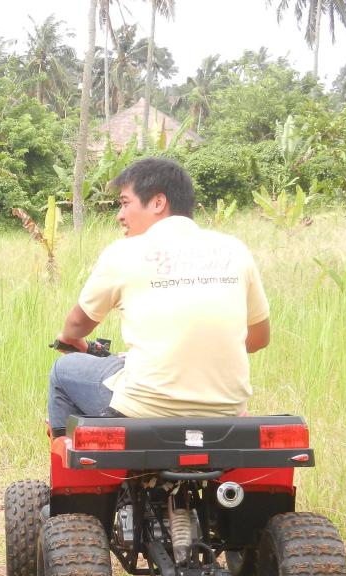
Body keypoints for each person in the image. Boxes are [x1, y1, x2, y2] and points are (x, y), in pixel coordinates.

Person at [48, 158, 271, 436]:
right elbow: (259, 339)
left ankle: (73, 477)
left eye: (125, 203)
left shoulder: (124, 253)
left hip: (143, 408)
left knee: (63, 370)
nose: (120, 215)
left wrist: (70, 340)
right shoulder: (235, 250)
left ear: (158, 202)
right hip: (226, 411)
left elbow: (77, 325)